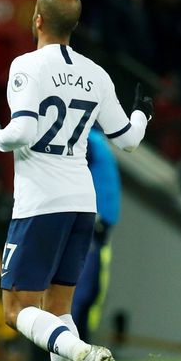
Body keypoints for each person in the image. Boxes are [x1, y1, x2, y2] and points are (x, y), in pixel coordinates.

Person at [0, 0, 151, 361]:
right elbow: (128, 140)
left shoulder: (27, 65)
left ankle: (83, 352)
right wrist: (143, 114)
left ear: (37, 19)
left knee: (16, 311)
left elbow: (21, 132)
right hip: (82, 201)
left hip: (40, 202)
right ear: (73, 26)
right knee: (58, 310)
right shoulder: (97, 73)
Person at [71, 126, 121, 343]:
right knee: (82, 290)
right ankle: (72, 349)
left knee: (92, 290)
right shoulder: (85, 137)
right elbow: (74, 169)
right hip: (91, 222)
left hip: (99, 225)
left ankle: (82, 348)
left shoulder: (96, 138)